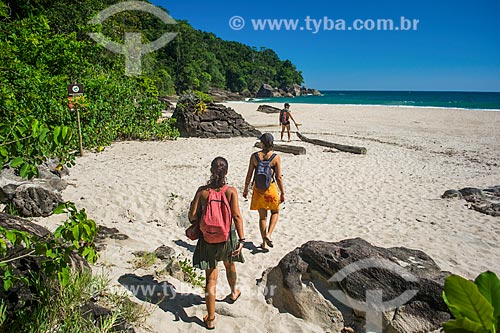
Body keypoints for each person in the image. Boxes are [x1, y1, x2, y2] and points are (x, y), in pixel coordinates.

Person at [189, 157, 245, 330]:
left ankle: (211, 319)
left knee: (211, 279)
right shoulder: (231, 191)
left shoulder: (202, 192)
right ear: (226, 172)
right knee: (230, 266)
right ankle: (234, 292)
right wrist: (241, 239)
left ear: (211, 171)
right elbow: (236, 216)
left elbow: (192, 216)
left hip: (208, 239)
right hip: (227, 237)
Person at [243, 133, 285, 252]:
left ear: (262, 143)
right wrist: (282, 192)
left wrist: (246, 188)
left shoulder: (254, 156)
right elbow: (278, 177)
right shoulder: (275, 157)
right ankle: (269, 235)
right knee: (275, 212)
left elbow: (249, 174)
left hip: (258, 190)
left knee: (262, 217)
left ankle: (264, 243)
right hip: (270, 189)